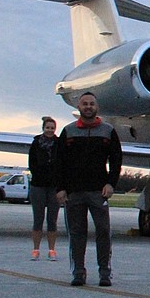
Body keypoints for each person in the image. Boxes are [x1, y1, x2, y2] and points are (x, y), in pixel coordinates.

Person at [55, 92, 122, 287]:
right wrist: (60, 188)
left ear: (97, 107)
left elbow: (116, 160)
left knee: (103, 231)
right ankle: (78, 272)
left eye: (92, 104)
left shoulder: (108, 131)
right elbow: (59, 162)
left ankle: (105, 273)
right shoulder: (68, 132)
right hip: (74, 192)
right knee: (77, 233)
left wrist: (111, 183)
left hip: (97, 191)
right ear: (78, 107)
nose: (88, 107)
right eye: (85, 104)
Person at [27, 116, 61, 262]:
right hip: (38, 185)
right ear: (43, 128)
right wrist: (40, 175)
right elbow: (32, 163)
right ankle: (36, 249)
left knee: (52, 220)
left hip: (54, 187)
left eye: (52, 128)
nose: (50, 130)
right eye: (48, 128)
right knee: (38, 219)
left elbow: (63, 163)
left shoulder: (59, 144)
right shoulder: (36, 143)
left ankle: (52, 250)